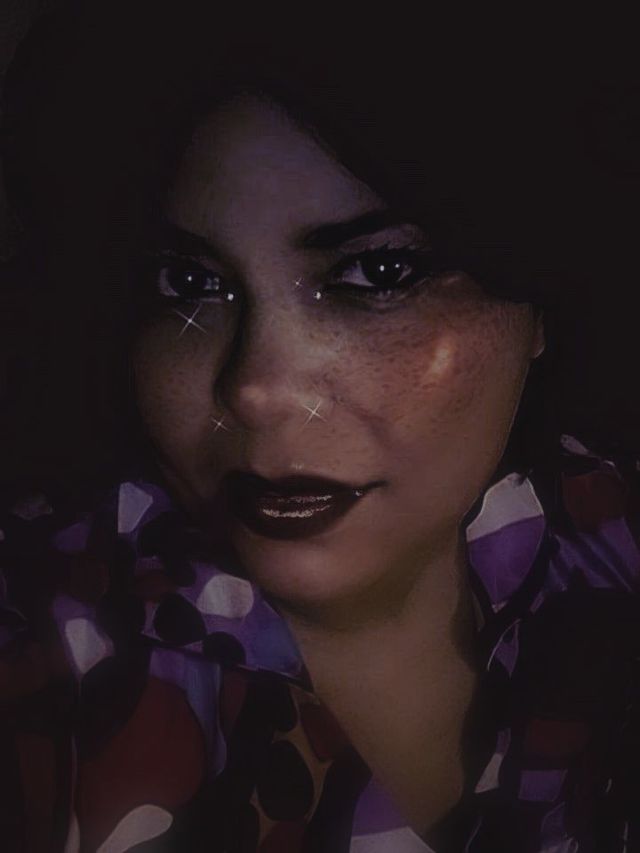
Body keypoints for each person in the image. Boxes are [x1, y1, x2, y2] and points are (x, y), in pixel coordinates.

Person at [1, 4, 639, 851]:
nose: (258, 390)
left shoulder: (613, 538)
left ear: (540, 303)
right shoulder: (45, 642)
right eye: (189, 281)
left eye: (378, 272)